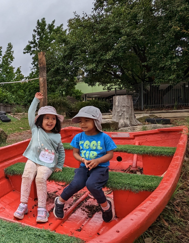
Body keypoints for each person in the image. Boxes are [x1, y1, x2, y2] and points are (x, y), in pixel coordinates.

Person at [53, 106, 117, 223]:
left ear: (96, 121)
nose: (82, 124)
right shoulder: (79, 137)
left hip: (100, 168)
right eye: (81, 121)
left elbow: (110, 154)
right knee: (77, 183)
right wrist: (82, 160)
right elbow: (75, 153)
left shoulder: (104, 137)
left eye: (87, 120)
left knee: (92, 184)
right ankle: (60, 201)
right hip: (84, 166)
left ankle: (106, 206)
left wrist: (98, 160)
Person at [14, 92, 65, 223]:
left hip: (47, 163)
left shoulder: (57, 136)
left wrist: (59, 165)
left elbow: (61, 151)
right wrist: (36, 100)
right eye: (47, 118)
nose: (50, 121)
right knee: (26, 176)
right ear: (40, 120)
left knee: (40, 178)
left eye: (53, 118)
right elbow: (31, 113)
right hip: (33, 159)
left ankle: (42, 208)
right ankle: (23, 204)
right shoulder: (35, 129)